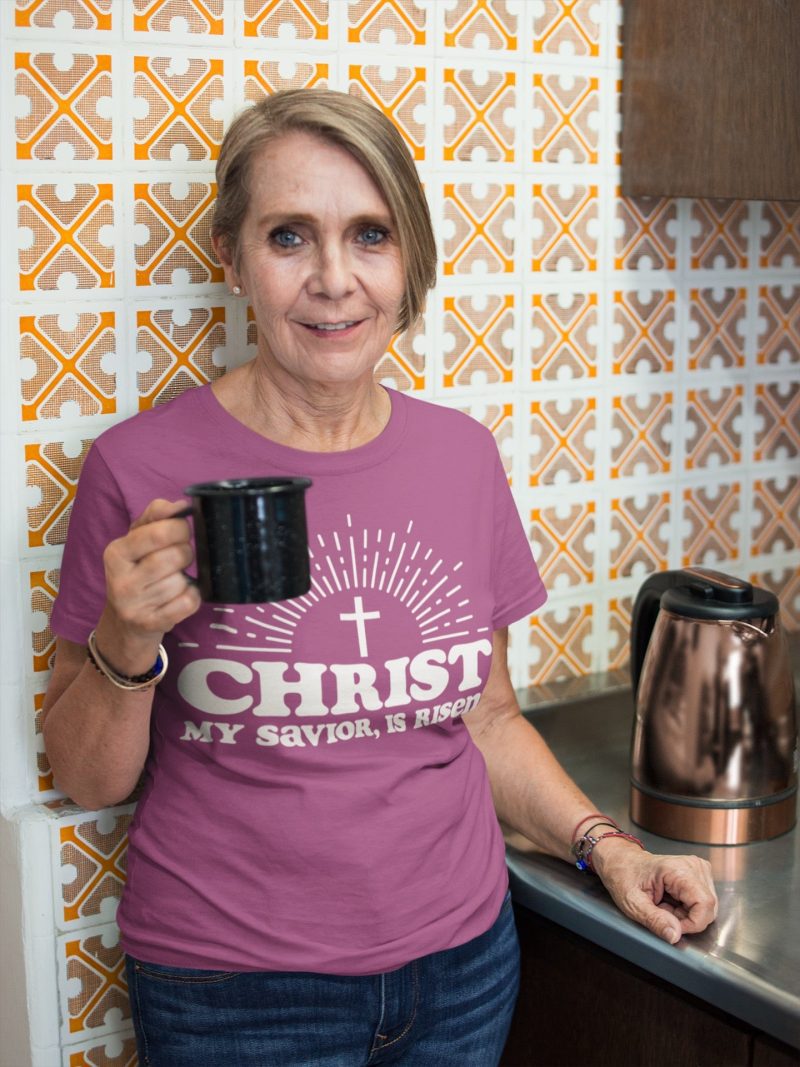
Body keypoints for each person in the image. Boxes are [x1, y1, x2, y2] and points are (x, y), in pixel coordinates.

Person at [42, 89, 717, 1067]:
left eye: (368, 234)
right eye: (288, 236)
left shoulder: (459, 457)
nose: (332, 279)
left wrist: (603, 847)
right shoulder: (137, 466)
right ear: (230, 257)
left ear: (408, 259)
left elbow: (483, 719)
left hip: (464, 968)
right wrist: (125, 637)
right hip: (233, 992)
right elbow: (88, 775)